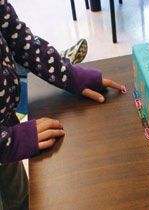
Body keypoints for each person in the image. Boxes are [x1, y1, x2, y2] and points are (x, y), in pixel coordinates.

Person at [0, 1, 125, 209]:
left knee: (21, 197)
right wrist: (8, 142)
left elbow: (18, 37)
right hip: (7, 140)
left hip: (7, 127)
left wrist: (69, 75)